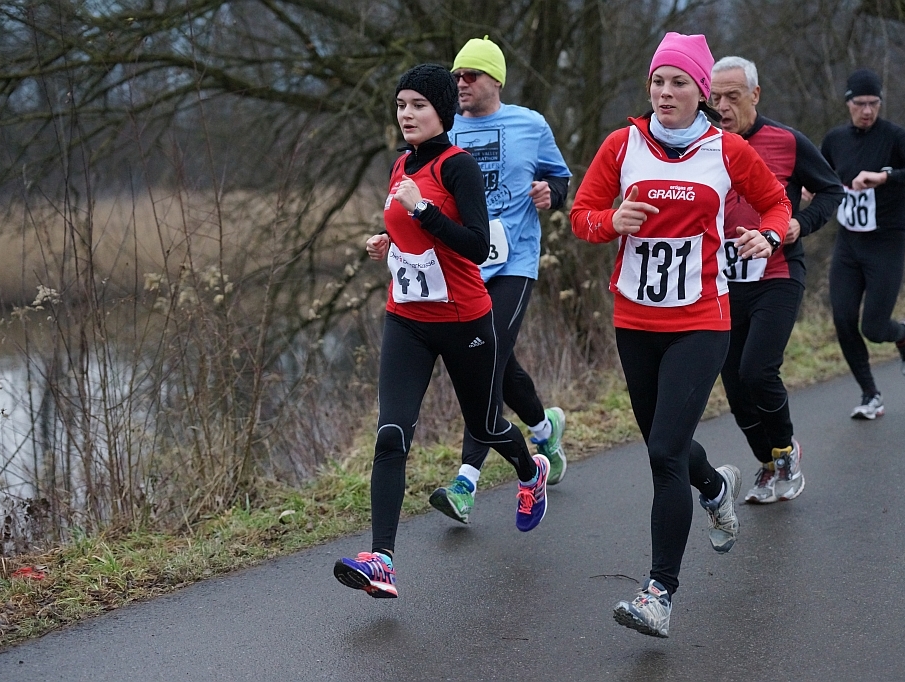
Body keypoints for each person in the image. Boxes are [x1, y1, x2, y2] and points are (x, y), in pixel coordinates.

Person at [570, 33, 792, 638]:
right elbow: (581, 216)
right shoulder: (623, 145)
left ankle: (658, 593)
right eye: (658, 82)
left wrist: (766, 237)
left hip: (701, 320)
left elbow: (777, 207)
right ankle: (716, 486)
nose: (666, 93)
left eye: (679, 83)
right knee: (662, 446)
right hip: (635, 322)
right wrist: (612, 220)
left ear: (702, 93)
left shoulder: (727, 151)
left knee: (665, 452)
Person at [333, 64, 550, 599]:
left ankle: (530, 468)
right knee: (392, 433)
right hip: (406, 319)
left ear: (441, 113)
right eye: (401, 104)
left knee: (485, 423)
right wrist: (387, 240)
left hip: (463, 320)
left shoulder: (460, 169)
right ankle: (381, 558)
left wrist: (422, 210)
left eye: (418, 105)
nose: (406, 113)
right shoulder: (400, 165)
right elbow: (406, 226)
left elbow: (476, 245)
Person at [428, 36, 573, 524]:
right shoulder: (443, 132)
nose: (460, 83)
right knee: (495, 357)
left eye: (470, 75)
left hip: (515, 261)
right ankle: (542, 426)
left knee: (484, 359)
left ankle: (465, 481)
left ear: (496, 80)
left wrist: (549, 192)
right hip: (463, 264)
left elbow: (561, 177)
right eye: (456, 76)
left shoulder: (530, 125)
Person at [709, 56, 844, 503]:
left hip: (778, 273)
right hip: (724, 281)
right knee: (734, 385)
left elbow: (832, 189)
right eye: (715, 97)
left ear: (755, 94)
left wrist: (799, 225)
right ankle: (767, 464)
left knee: (757, 369)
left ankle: (786, 453)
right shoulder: (702, 145)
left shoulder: (786, 141)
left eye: (733, 96)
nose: (723, 106)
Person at [820, 68, 905, 419]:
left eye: (874, 104)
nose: (868, 111)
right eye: (860, 104)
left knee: (873, 327)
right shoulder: (835, 140)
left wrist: (886, 177)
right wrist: (813, 190)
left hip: (886, 241)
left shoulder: (894, 137)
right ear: (848, 103)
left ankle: (904, 335)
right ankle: (870, 395)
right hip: (848, 244)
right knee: (843, 319)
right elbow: (820, 175)